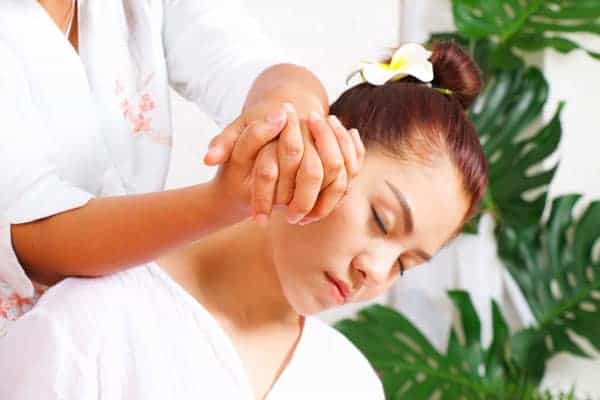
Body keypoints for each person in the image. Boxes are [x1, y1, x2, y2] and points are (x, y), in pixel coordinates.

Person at [0, 41, 488, 399]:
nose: (376, 272)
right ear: (323, 148)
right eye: (381, 220)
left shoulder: (349, 383)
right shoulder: (89, 327)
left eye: (405, 264)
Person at [0, 0, 362, 322]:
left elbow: (245, 60)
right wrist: (221, 202)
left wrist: (289, 118)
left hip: (106, 327)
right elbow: (35, 238)